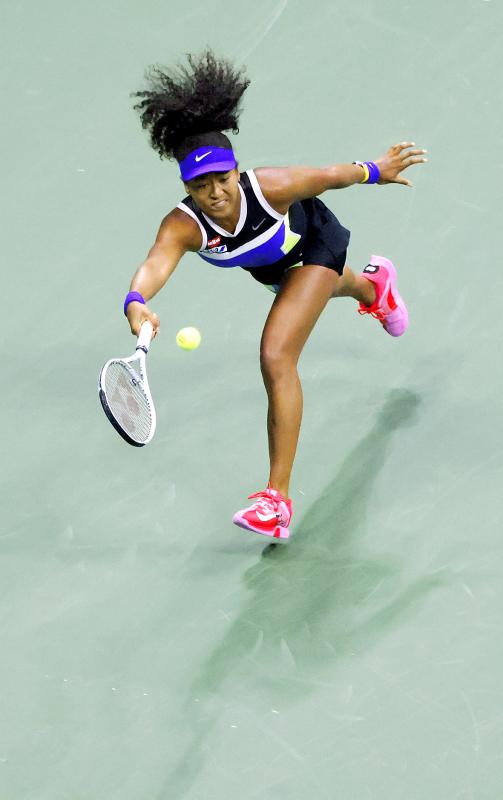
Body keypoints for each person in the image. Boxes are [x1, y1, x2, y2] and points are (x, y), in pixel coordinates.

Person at [124, 51, 426, 540]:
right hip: (271, 268)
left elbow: (331, 175)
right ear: (187, 187)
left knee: (276, 353)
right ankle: (375, 287)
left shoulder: (271, 186)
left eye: (222, 180)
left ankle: (276, 500)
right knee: (328, 290)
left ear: (235, 172)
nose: (215, 193)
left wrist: (377, 168)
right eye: (201, 187)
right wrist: (135, 302)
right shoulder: (183, 226)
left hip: (315, 243)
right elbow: (156, 262)